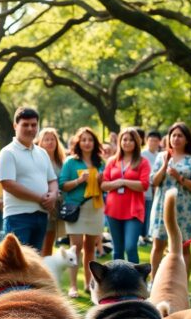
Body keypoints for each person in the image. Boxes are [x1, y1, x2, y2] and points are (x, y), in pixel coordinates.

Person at [0, 107, 58, 251]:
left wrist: (54, 195)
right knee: (16, 267)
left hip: (41, 216)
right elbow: (8, 185)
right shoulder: (8, 153)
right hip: (18, 217)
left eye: (33, 125)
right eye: (25, 124)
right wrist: (41, 199)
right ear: (15, 126)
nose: (30, 128)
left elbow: (52, 180)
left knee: (34, 265)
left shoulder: (42, 153)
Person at [149, 122, 191, 283]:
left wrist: (180, 178)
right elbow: (154, 181)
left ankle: (183, 285)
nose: (176, 139)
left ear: (187, 139)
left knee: (184, 247)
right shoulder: (161, 156)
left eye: (180, 135)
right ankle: (154, 282)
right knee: (158, 245)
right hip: (162, 207)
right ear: (169, 138)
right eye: (173, 135)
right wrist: (165, 164)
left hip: (184, 210)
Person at [59, 127, 105, 298]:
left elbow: (106, 187)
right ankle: (73, 286)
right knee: (75, 248)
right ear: (79, 142)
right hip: (76, 209)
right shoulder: (71, 162)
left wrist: (101, 182)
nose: (87, 143)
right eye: (84, 140)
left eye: (90, 140)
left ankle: (88, 284)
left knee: (90, 249)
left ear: (95, 143)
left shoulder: (101, 162)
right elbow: (63, 185)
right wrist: (79, 180)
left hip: (95, 207)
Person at [101, 127, 150, 263]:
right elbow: (104, 185)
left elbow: (144, 185)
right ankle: (116, 281)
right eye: (124, 139)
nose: (127, 142)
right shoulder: (112, 161)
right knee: (117, 249)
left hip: (134, 210)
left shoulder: (142, 162)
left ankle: (135, 281)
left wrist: (123, 181)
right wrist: (118, 183)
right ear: (120, 141)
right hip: (113, 209)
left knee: (130, 247)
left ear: (137, 142)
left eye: (131, 140)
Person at [36, 127, 67, 256]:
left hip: (58, 207)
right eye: (46, 139)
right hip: (42, 204)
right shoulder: (37, 160)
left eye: (52, 139)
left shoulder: (62, 162)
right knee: (39, 243)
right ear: (40, 142)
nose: (50, 142)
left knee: (50, 241)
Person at [140, 130, 162, 246]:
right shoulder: (142, 155)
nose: (153, 143)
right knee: (143, 213)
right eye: (151, 140)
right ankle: (142, 236)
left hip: (156, 191)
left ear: (159, 142)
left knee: (150, 214)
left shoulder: (160, 155)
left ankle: (147, 235)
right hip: (144, 190)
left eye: (155, 140)